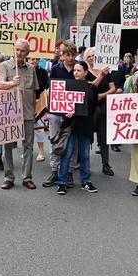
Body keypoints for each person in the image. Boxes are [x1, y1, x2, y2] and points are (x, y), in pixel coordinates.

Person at [0, 39, 39, 190]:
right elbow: (1, 85)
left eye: (23, 50)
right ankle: (8, 177)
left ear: (27, 52)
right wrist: (12, 83)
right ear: (13, 50)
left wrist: (35, 112)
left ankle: (27, 177)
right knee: (7, 145)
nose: (19, 53)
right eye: (17, 49)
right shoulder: (5, 66)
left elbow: (34, 92)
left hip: (28, 113)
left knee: (28, 146)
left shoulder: (31, 69)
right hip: (9, 113)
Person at [56, 60, 98, 195]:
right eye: (74, 70)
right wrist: (66, 112)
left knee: (85, 155)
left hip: (85, 126)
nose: (75, 72)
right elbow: (61, 104)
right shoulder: (67, 86)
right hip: (71, 126)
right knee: (66, 154)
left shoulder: (92, 88)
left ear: (86, 72)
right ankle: (62, 182)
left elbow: (92, 106)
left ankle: (86, 181)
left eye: (78, 70)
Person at [44, 40, 78, 188]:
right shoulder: (56, 69)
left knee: (73, 143)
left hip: (74, 112)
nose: (70, 58)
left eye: (72, 55)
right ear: (63, 55)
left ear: (76, 54)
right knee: (55, 141)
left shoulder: (79, 68)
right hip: (57, 111)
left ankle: (69, 172)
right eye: (67, 55)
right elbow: (52, 89)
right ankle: (54, 171)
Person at [84, 48, 117, 175]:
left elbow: (113, 88)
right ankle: (84, 163)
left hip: (103, 107)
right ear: (86, 58)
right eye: (89, 56)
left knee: (104, 137)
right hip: (89, 108)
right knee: (87, 137)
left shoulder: (104, 70)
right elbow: (88, 89)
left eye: (94, 55)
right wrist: (95, 96)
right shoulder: (85, 72)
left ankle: (106, 164)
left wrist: (101, 96)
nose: (92, 58)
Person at [29, 56, 50, 161]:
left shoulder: (43, 72)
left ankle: (41, 151)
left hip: (39, 102)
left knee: (39, 128)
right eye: (32, 59)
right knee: (27, 128)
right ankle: (27, 151)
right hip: (27, 102)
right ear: (28, 59)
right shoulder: (25, 70)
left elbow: (46, 86)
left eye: (37, 59)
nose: (35, 61)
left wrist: (43, 98)